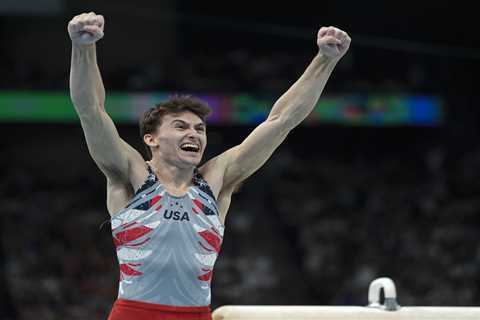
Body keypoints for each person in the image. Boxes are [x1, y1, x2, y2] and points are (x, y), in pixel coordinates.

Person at [68, 11, 351, 320]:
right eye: (180, 127)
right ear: (151, 139)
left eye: (199, 129)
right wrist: (83, 48)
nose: (193, 133)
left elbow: (282, 120)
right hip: (135, 313)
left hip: (195, 315)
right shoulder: (130, 173)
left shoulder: (217, 180)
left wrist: (325, 60)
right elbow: (91, 110)